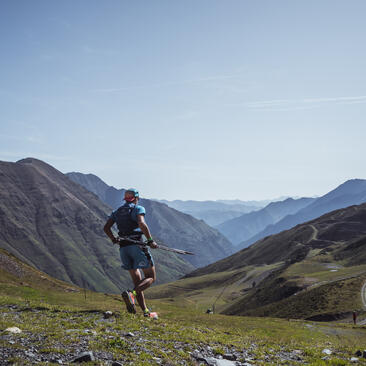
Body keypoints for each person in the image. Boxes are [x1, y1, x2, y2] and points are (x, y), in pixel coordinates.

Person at [103, 188, 157, 317]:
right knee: (150, 277)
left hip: (123, 248)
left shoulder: (116, 212)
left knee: (138, 283)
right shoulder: (138, 209)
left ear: (125, 199)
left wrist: (113, 239)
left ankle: (145, 312)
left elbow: (106, 228)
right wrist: (150, 240)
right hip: (137, 246)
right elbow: (142, 224)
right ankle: (132, 295)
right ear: (136, 198)